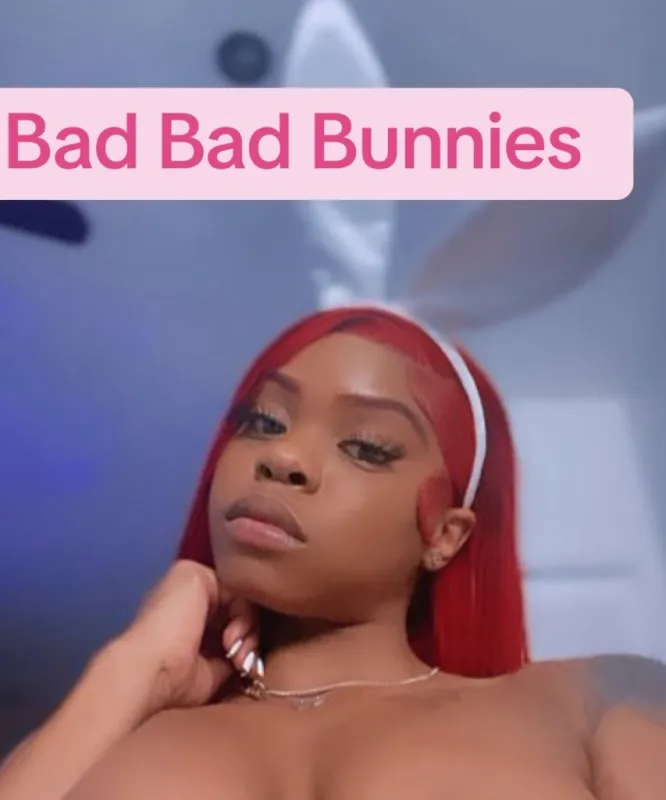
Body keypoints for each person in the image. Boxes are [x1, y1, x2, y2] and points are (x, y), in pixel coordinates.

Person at [0, 306, 664, 800]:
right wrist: (135, 666)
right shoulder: (116, 730)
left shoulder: (591, 702)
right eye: (263, 422)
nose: (282, 456)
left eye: (365, 447)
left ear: (445, 535)